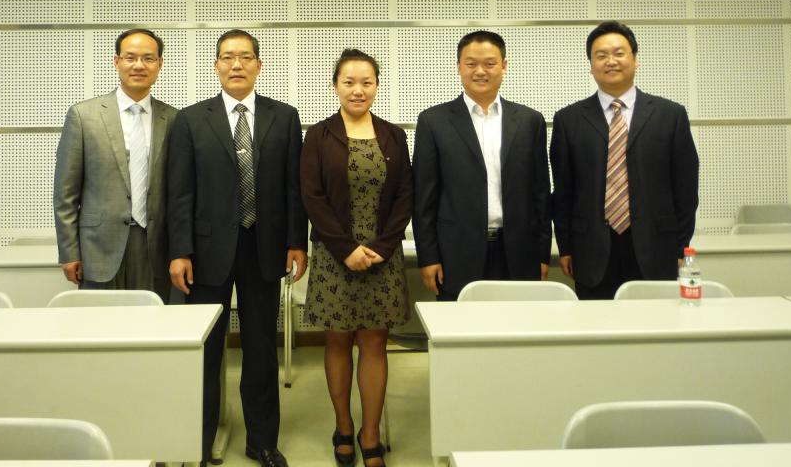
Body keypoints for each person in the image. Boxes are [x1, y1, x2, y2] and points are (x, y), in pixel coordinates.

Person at [167, 29, 307, 467]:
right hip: (206, 251)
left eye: (245, 57)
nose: (237, 65)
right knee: (205, 350)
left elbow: (293, 188)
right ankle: (199, 442)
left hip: (264, 247)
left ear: (259, 65)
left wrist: (296, 242)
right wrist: (179, 250)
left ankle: (262, 441)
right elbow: (180, 193)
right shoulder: (191, 120)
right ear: (216, 66)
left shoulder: (284, 117)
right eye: (228, 57)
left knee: (261, 348)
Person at [301, 49, 411, 467]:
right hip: (335, 255)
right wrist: (346, 249)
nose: (358, 90)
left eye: (366, 82)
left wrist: (381, 247)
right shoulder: (318, 135)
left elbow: (405, 196)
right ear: (335, 86)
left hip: (382, 254)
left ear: (377, 86)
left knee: (375, 342)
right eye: (349, 82)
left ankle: (370, 432)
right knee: (338, 339)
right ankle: (344, 425)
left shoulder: (393, 135)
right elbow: (312, 196)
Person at [551, 21, 699, 299]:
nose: (611, 61)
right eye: (601, 55)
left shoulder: (670, 115)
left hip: (657, 247)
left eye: (619, 53)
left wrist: (681, 245)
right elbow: (563, 192)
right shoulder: (568, 120)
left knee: (656, 321)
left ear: (635, 59)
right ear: (591, 65)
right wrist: (566, 247)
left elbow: (686, 188)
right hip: (591, 249)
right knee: (596, 322)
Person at [412, 30, 551, 301]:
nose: (480, 71)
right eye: (471, 63)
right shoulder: (433, 121)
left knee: (517, 325)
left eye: (489, 63)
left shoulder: (529, 121)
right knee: (460, 325)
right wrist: (428, 256)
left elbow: (541, 194)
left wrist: (542, 253)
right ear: (458, 67)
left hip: (519, 253)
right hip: (456, 254)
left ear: (504, 66)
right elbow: (424, 198)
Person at [53, 28, 176, 301]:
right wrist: (69, 251)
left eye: (148, 58)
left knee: (153, 321)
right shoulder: (83, 116)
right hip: (98, 247)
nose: (139, 65)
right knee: (101, 323)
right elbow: (65, 194)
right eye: (130, 57)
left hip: (155, 246)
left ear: (160, 64)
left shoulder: (174, 119)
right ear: (116, 61)